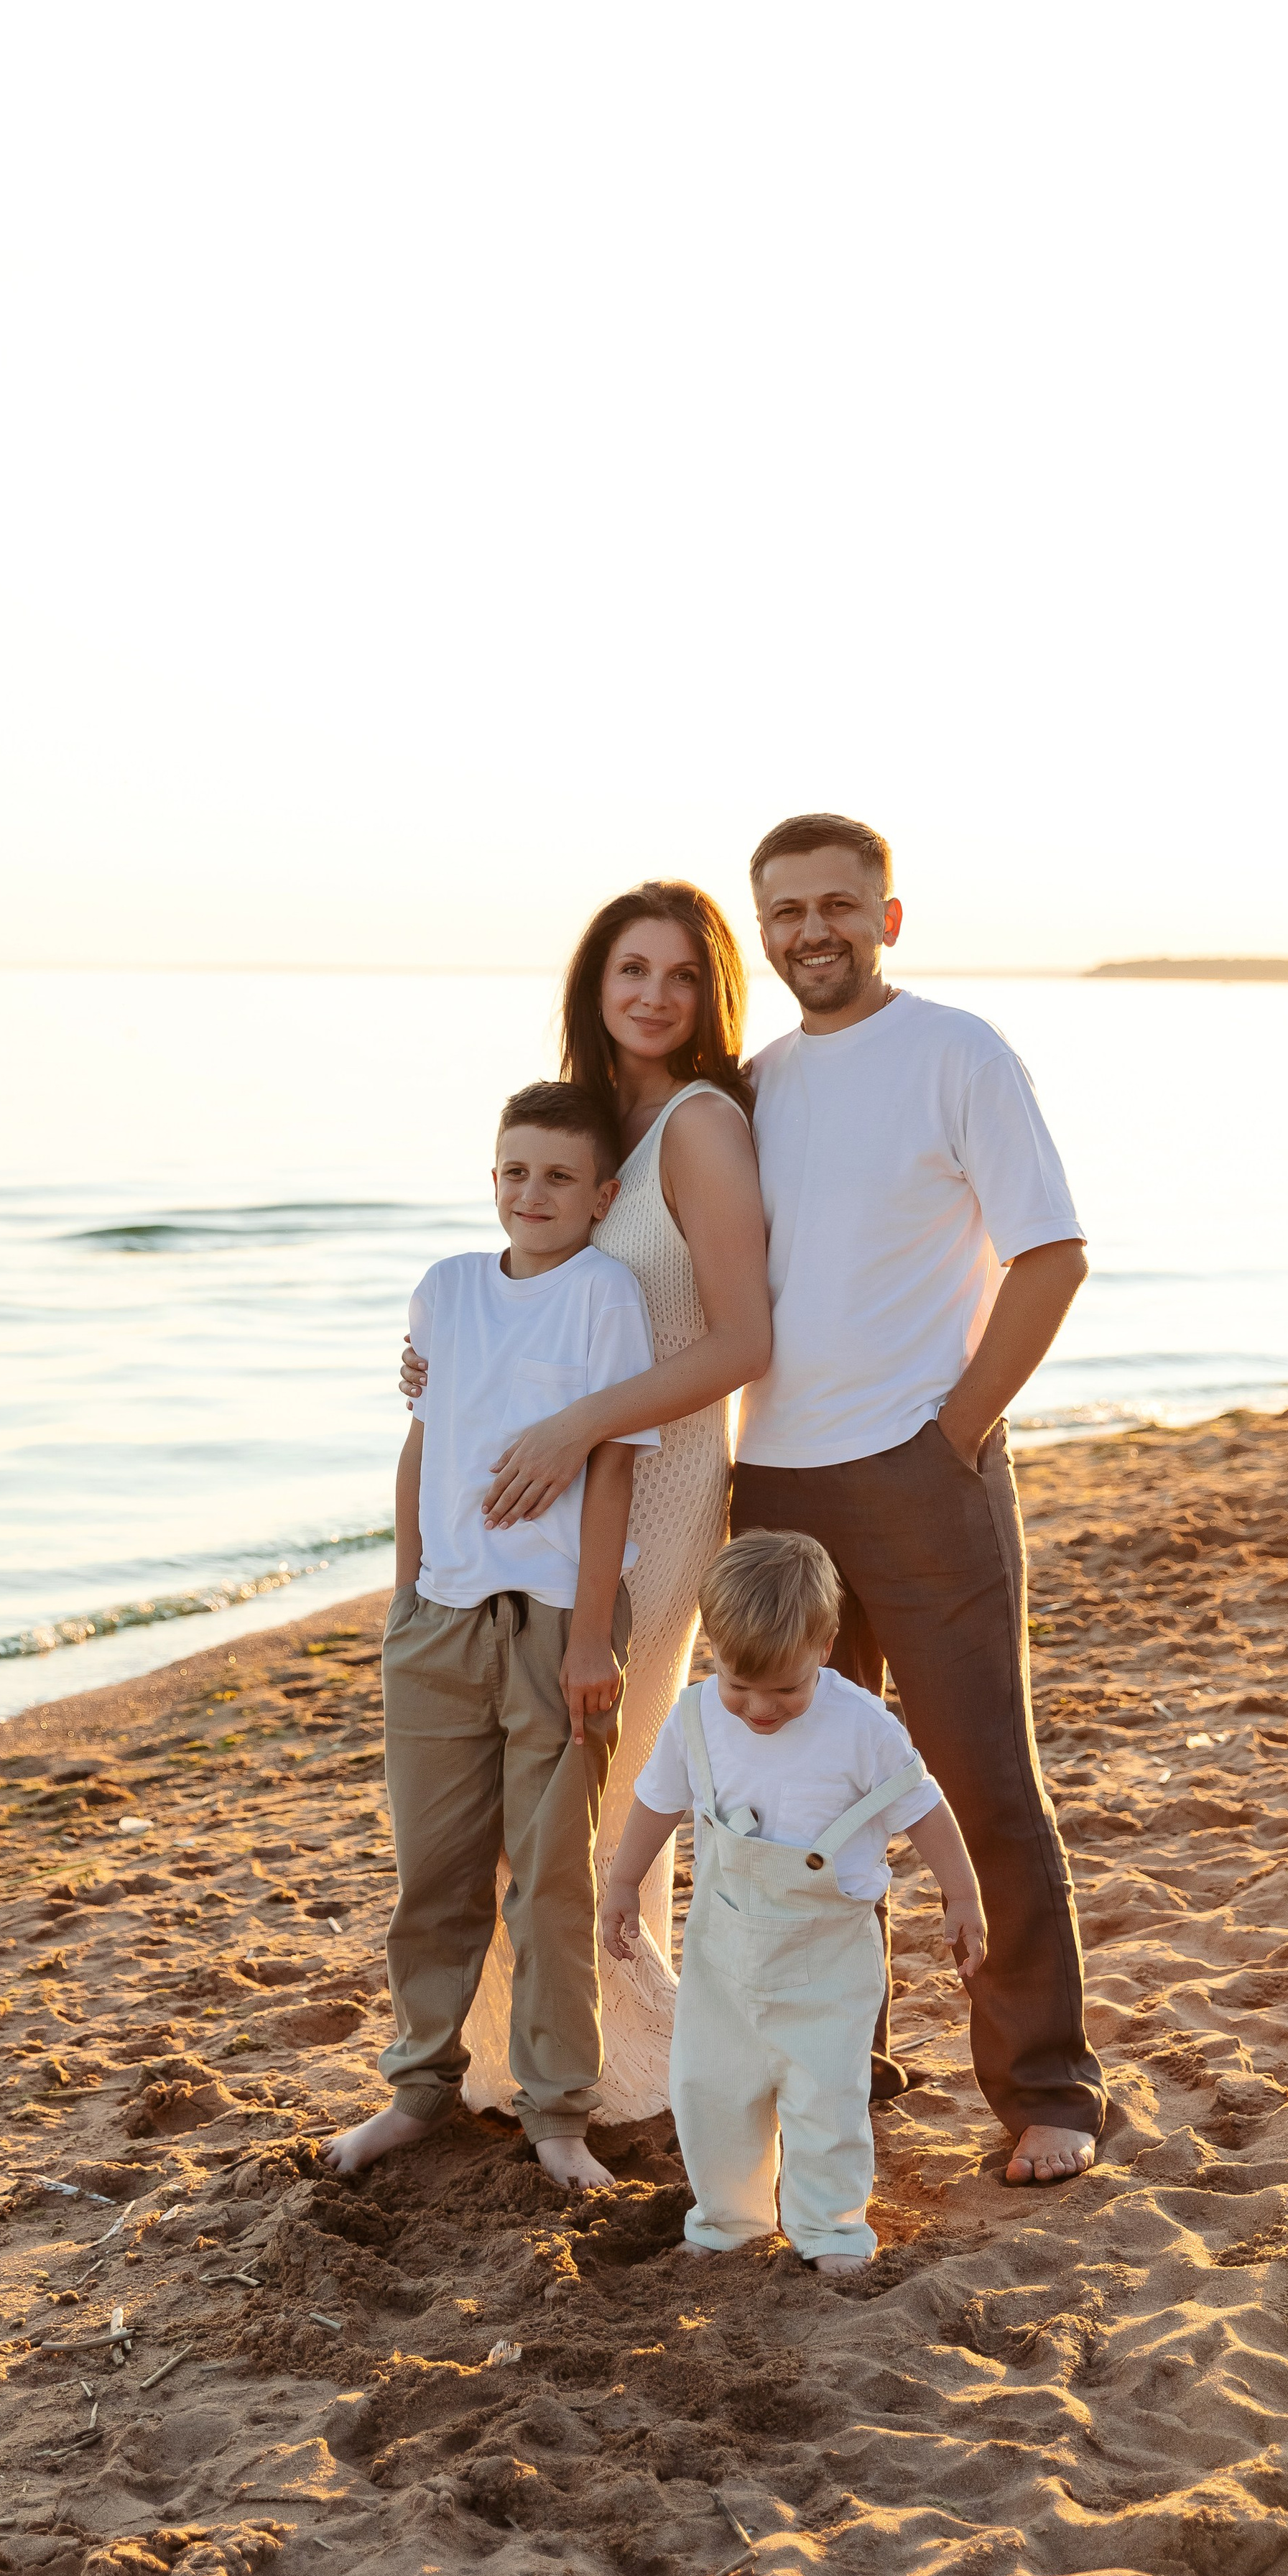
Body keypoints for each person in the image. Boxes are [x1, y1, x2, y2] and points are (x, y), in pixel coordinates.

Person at [731, 811, 1102, 2186]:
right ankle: (846, 2062)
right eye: (786, 911)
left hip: (921, 1474)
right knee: (801, 1798)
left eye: (839, 905)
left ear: (888, 920)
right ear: (761, 930)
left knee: (982, 1787)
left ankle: (1047, 2092)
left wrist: (954, 1433)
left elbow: (1051, 1257)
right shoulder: (752, 1088)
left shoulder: (959, 1053)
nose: (812, 930)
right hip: (769, 1485)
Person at [403, 882, 772, 2133]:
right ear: (595, 983)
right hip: (525, 1514)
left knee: (598, 1789)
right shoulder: (583, 1127)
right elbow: (528, 1300)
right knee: (538, 1794)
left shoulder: (702, 1127)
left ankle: (621, 2070)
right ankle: (541, 2059)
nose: (654, 995)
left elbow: (743, 1339)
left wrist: (576, 1425)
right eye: (631, 970)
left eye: (681, 974)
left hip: (652, 1490)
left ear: (711, 990)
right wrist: (451, 1366)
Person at [326, 1081, 661, 2194]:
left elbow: (612, 1460)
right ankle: (417, 2090)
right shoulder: (447, 1290)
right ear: (493, 1178)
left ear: (603, 1194)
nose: (534, 1193)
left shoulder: (607, 1296)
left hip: (558, 1627)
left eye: (561, 1176)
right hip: (438, 1624)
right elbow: (423, 1443)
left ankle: (558, 2113)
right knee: (435, 1877)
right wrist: (403, 1600)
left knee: (552, 1884)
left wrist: (587, 1637)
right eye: (515, 1171)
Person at [601, 1531, 985, 2272]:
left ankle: (829, 2231)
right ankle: (729, 2222)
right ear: (710, 1645)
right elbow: (654, 1802)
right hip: (722, 1951)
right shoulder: (695, 1718)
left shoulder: (860, 1726)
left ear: (826, 1646)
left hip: (828, 1958)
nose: (759, 1709)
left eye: (785, 1689)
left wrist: (960, 1892)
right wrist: (622, 1883)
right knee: (710, 2091)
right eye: (738, 1685)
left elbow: (922, 1811)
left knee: (826, 2100)